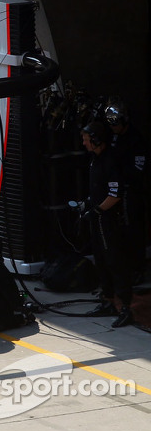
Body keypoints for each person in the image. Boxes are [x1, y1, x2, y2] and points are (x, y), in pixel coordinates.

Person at [80, 121, 133, 327]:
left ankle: (126, 308)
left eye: (86, 140)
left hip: (109, 221)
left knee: (115, 262)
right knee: (101, 261)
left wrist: (98, 210)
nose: (84, 144)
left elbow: (115, 194)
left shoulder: (111, 161)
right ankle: (108, 301)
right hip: (97, 219)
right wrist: (87, 203)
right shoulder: (95, 159)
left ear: (96, 140)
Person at [105, 102, 148, 283]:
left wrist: (122, 177)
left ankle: (137, 268)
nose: (113, 127)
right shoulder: (113, 138)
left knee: (133, 230)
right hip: (117, 191)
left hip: (132, 192)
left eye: (116, 123)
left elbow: (139, 170)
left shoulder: (136, 140)